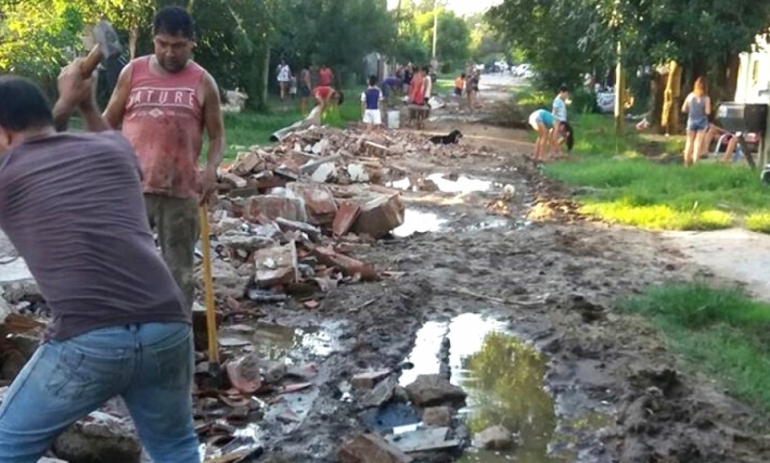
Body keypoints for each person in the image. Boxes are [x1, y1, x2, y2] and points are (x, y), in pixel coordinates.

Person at [0, 72, 199, 462]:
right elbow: (92, 138)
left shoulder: (6, 175)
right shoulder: (114, 152)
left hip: (88, 342)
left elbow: (29, 146)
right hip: (167, 326)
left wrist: (68, 102)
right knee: (175, 448)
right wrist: (84, 103)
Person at [101, 5, 225, 311]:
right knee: (124, 263)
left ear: (191, 44)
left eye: (178, 46)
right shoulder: (132, 73)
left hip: (181, 192)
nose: (169, 53)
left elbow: (218, 135)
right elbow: (107, 122)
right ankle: (127, 326)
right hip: (132, 188)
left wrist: (211, 170)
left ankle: (176, 333)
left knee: (179, 271)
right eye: (162, 44)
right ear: (154, 40)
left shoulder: (203, 81)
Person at [681, 77, 711, 166]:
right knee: (698, 143)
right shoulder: (706, 98)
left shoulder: (690, 96)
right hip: (702, 121)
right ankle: (695, 163)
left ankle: (686, 163)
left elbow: (683, 109)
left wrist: (691, 110)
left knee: (689, 142)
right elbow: (707, 111)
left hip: (691, 120)